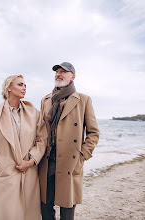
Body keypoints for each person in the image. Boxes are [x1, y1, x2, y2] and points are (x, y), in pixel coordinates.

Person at [0, 75, 47, 220]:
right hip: (5, 173)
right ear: (9, 87)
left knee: (29, 214)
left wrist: (31, 161)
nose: (24, 88)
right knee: (6, 214)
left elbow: (43, 139)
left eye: (25, 85)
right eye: (20, 84)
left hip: (29, 172)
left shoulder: (34, 113)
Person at [39, 62, 100, 220]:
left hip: (70, 161)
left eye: (63, 72)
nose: (58, 74)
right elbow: (39, 129)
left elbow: (93, 132)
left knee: (67, 209)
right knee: (45, 207)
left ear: (72, 76)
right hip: (47, 161)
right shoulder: (46, 100)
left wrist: (82, 155)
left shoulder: (83, 100)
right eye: (57, 72)